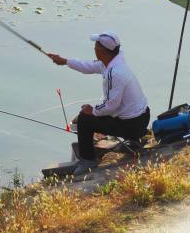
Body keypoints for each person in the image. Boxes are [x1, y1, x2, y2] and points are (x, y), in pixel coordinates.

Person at [48, 32, 150, 176]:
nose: (94, 48)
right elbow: (87, 66)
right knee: (91, 114)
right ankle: (133, 141)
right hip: (142, 118)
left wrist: (92, 111)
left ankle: (88, 161)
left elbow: (110, 106)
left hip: (133, 126)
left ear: (103, 50)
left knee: (84, 119)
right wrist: (64, 61)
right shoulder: (112, 62)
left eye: (96, 45)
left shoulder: (115, 73)